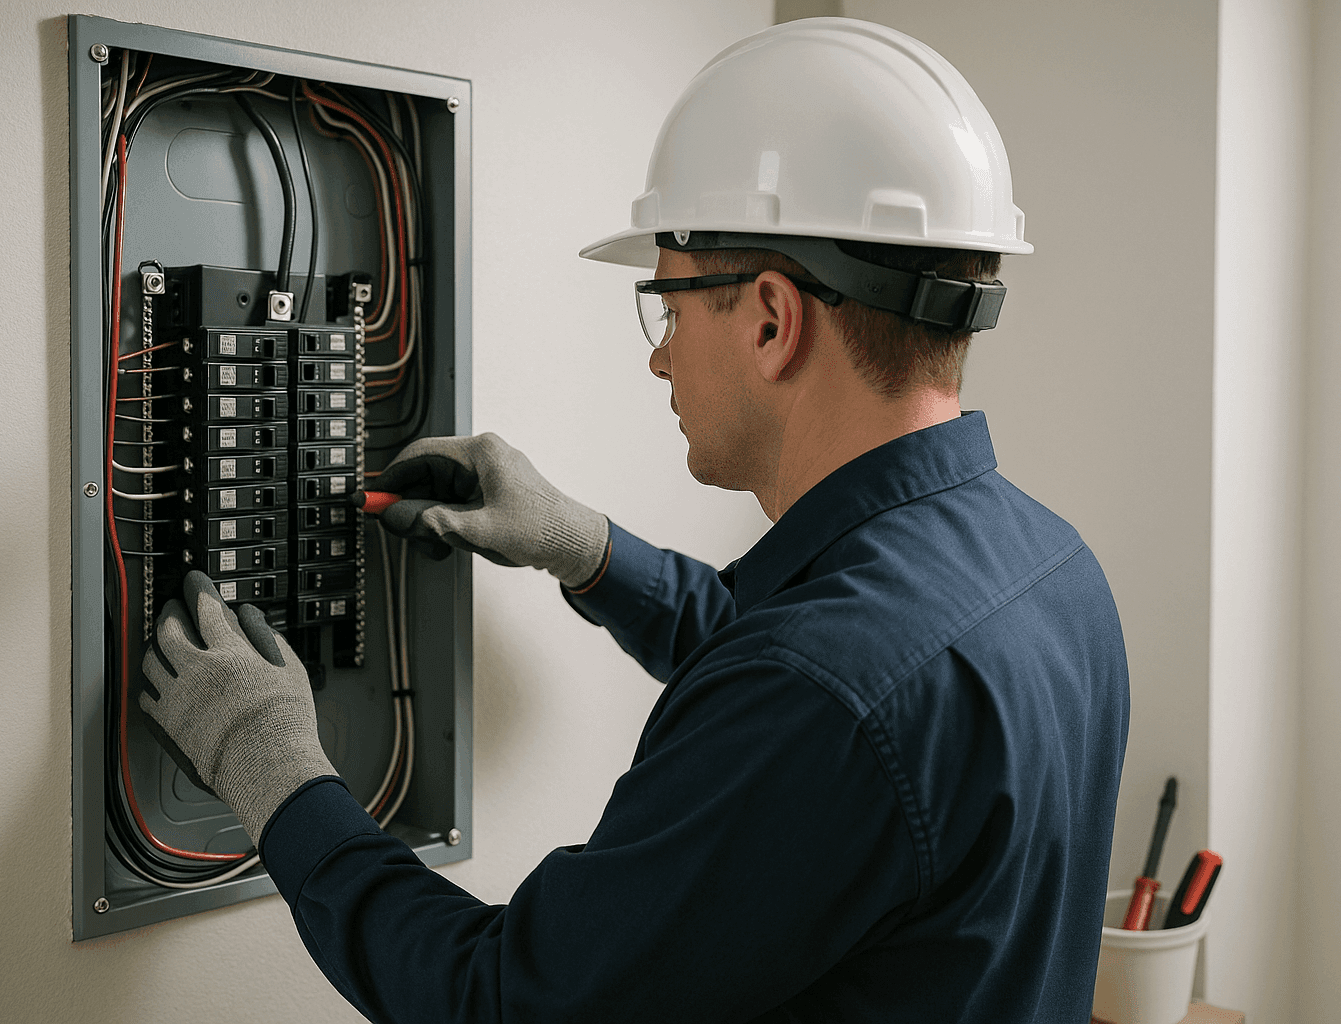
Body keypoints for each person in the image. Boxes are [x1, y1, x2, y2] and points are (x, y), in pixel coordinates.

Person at [140, 18, 1130, 1023]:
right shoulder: (1054, 571)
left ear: (772, 320)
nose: (660, 356)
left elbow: (503, 1002)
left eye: (670, 307)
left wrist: (273, 767)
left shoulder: (822, 688)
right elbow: (816, 686)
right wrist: (588, 549)